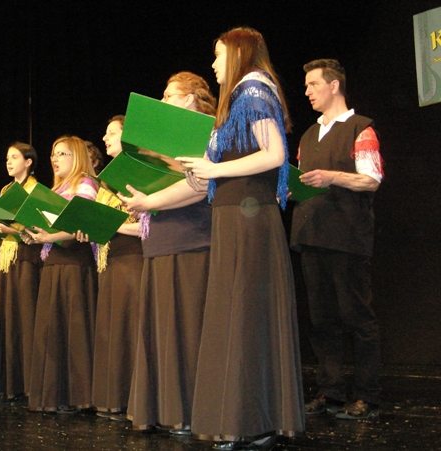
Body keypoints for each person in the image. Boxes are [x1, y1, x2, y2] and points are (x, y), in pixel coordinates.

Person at [176, 28, 304, 450]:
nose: (214, 64)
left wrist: (214, 170)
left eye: (218, 55)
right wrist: (201, 168)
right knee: (238, 317)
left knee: (246, 316)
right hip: (233, 216)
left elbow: (275, 154)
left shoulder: (252, 89)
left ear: (238, 52)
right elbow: (228, 160)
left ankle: (254, 422)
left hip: (249, 219)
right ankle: (246, 419)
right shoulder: (238, 98)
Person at [118, 72, 216, 434]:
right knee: (162, 331)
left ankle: (191, 411)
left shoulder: (207, 133)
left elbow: (202, 184)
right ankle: (164, 409)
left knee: (188, 331)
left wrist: (151, 199)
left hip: (191, 240)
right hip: (159, 239)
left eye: (169, 95)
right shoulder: (160, 139)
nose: (162, 101)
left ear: (189, 99)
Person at [291, 59, 384, 420]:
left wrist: (332, 177)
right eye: (306, 85)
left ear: (334, 86)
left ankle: (366, 396)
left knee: (356, 317)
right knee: (322, 320)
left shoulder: (361, 129)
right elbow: (305, 179)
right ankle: (330, 392)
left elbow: (371, 179)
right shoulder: (307, 136)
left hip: (346, 236)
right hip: (312, 236)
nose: (307, 91)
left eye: (313, 84)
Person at [23, 136, 98, 413]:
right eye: (53, 154)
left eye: (62, 154)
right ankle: (55, 396)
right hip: (54, 261)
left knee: (73, 330)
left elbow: (82, 223)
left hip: (74, 262)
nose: (54, 159)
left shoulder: (85, 183)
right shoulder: (56, 189)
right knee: (52, 330)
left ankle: (78, 396)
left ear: (77, 156)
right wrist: (34, 234)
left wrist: (50, 236)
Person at [90, 115, 142, 420]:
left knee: (131, 327)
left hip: (133, 257)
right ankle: (114, 399)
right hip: (109, 258)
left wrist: (113, 225)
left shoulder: (138, 170)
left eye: (112, 133)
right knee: (113, 330)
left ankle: (136, 401)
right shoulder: (106, 178)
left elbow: (146, 222)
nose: (105, 138)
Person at [0, 143, 42, 405]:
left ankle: (27, 387)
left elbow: (37, 228)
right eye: (7, 158)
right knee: (4, 319)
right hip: (5, 258)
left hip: (27, 258)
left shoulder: (36, 190)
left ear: (28, 162)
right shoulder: (6, 190)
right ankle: (6, 385)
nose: (9, 162)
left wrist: (11, 230)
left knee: (24, 320)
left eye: (15, 157)